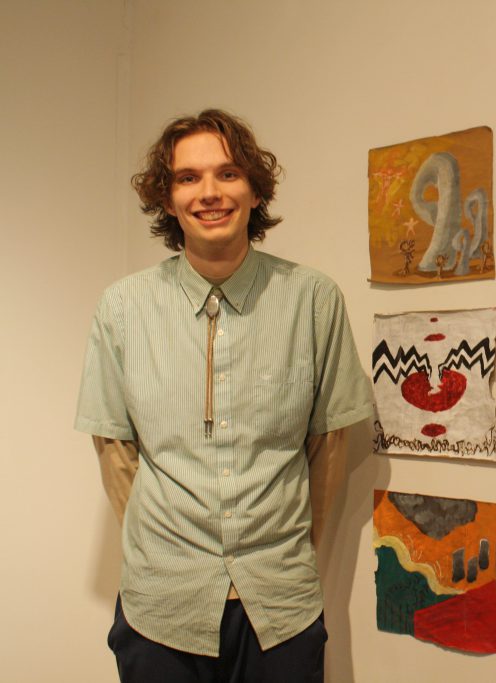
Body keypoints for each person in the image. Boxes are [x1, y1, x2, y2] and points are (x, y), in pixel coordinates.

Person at [74, 109, 373, 682]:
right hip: (159, 609)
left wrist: (286, 552)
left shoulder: (313, 301)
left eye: (228, 174)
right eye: (188, 178)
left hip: (280, 607)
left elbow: (328, 447)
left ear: (255, 190)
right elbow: (115, 453)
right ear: (167, 200)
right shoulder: (122, 308)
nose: (209, 193)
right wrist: (167, 548)